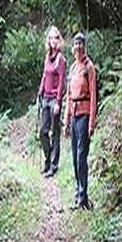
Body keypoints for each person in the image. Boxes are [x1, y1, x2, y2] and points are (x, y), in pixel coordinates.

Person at [63, 32, 97, 210]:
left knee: (81, 156)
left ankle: (83, 198)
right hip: (74, 115)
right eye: (75, 44)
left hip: (84, 115)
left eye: (80, 44)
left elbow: (93, 96)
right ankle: (78, 193)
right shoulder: (73, 68)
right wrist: (65, 121)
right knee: (74, 158)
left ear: (84, 46)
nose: (77, 47)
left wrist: (91, 123)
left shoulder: (88, 67)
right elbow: (69, 96)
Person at [37, 26, 66, 178]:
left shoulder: (60, 59)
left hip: (54, 99)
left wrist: (58, 102)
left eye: (56, 37)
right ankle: (48, 160)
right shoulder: (47, 57)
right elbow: (44, 76)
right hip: (45, 98)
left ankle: (53, 166)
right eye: (51, 38)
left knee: (55, 133)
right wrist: (39, 93)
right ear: (48, 41)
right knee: (43, 132)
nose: (53, 40)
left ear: (59, 40)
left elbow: (61, 81)